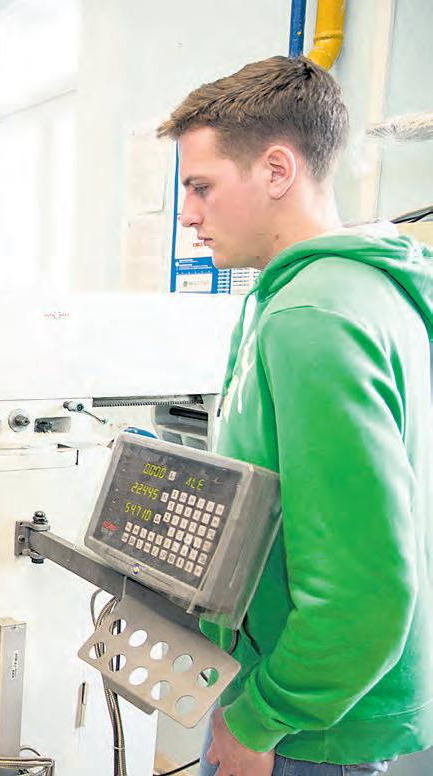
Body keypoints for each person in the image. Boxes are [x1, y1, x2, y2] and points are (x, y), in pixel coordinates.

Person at [157, 56, 433, 776]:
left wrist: (259, 722)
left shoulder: (314, 314)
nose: (188, 213)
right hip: (303, 699)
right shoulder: (339, 291)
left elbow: (363, 593)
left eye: (202, 187)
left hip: (303, 728)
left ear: (277, 170)